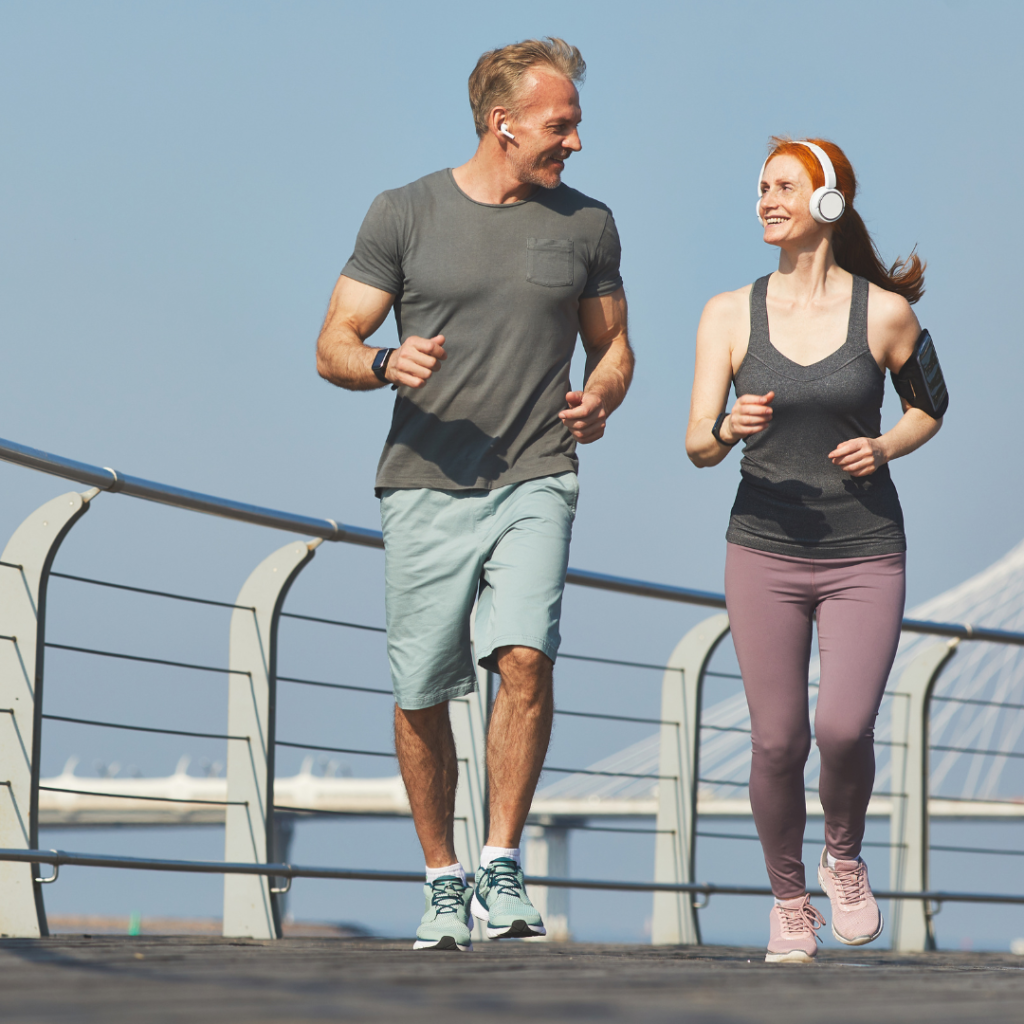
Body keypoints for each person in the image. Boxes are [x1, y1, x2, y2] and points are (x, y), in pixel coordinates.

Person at [315, 37, 633, 952]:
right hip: (425, 481)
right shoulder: (403, 214)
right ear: (504, 124)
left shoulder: (588, 225)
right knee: (421, 689)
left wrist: (603, 393)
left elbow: (614, 347)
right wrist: (383, 362)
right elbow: (333, 339)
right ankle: (442, 878)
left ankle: (500, 860)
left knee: (525, 657)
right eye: (559, 125)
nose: (574, 142)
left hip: (538, 470)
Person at [685, 137, 945, 963]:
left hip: (865, 550)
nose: (766, 199)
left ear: (829, 203)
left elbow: (930, 405)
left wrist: (887, 447)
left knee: (841, 726)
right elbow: (695, 442)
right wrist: (727, 427)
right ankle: (789, 901)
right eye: (761, 187)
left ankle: (843, 857)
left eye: (785, 187)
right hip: (762, 548)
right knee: (775, 742)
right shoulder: (728, 313)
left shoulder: (885, 313)